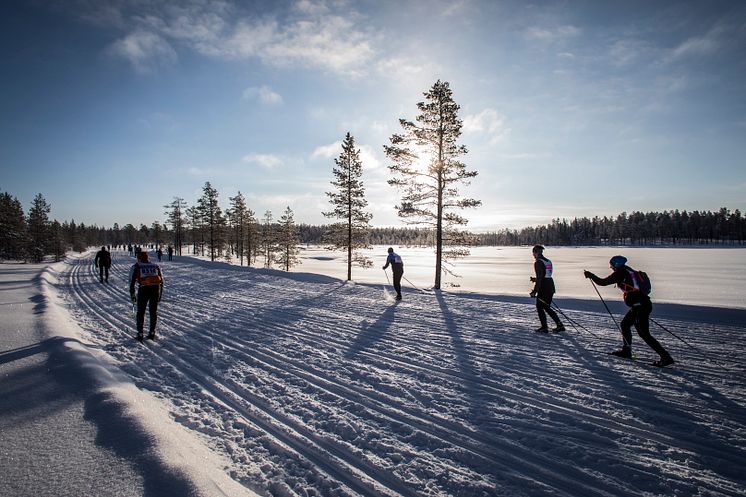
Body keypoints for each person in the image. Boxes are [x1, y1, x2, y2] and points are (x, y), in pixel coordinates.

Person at [584, 255, 674, 367]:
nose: (611, 267)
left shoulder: (620, 273)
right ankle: (626, 351)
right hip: (641, 305)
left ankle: (665, 357)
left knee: (644, 333)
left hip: (639, 306)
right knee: (625, 324)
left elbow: (603, 282)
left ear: (616, 265)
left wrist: (590, 275)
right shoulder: (629, 271)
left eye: (611, 265)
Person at [129, 251, 164, 342]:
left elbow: (131, 282)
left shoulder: (137, 266)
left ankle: (140, 333)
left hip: (144, 289)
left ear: (139, 258)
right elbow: (162, 280)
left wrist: (132, 294)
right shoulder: (155, 265)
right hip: (155, 289)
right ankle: (152, 332)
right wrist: (160, 294)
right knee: (153, 311)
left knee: (141, 312)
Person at [529, 245, 565, 332]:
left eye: (533, 253)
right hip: (550, 285)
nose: (533, 255)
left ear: (536, 253)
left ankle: (544, 327)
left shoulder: (538, 262)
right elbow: (546, 275)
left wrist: (535, 291)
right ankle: (559, 325)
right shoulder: (548, 261)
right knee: (546, 307)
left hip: (544, 287)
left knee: (539, 307)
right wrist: (536, 279)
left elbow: (541, 277)